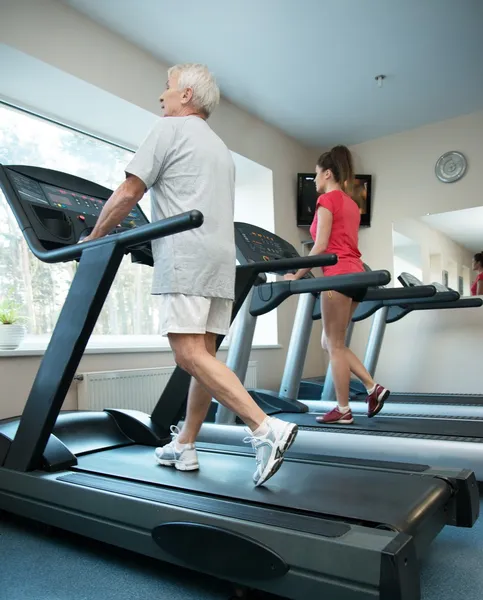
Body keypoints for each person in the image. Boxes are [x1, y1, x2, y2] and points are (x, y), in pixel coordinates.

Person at [79, 63, 297, 486]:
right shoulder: (220, 148)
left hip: (185, 256)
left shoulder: (167, 130)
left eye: (167, 88)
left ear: (187, 97)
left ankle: (265, 428)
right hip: (219, 262)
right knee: (204, 358)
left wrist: (96, 235)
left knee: (187, 354)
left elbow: (129, 190)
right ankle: (185, 443)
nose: (161, 96)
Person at [284, 146, 389, 423]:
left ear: (327, 172)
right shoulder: (352, 204)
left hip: (338, 276)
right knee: (331, 342)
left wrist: (295, 276)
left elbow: (320, 247)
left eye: (317, 174)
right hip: (356, 276)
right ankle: (372, 387)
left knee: (334, 343)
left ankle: (343, 410)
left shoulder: (327, 201)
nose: (315, 180)